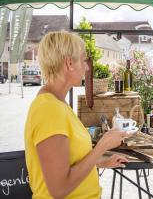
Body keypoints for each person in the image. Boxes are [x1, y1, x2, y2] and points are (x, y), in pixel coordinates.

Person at [24, 31, 128, 198]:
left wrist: (101, 163)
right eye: (83, 60)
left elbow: (66, 163)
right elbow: (59, 189)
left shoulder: (57, 103)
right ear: (69, 63)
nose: (86, 67)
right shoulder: (49, 110)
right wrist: (102, 146)